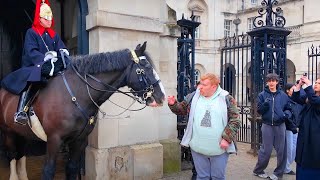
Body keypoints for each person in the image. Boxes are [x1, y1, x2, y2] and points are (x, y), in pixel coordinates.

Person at [1, 0, 69, 125]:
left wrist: (63, 53)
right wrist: (45, 57)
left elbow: (61, 47)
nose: (49, 20)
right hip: (34, 65)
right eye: (45, 17)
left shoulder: (54, 35)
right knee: (35, 76)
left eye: (50, 17)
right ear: (39, 18)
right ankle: (21, 111)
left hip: (53, 65)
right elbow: (31, 51)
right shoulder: (31, 33)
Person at [168, 73, 240, 180]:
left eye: (204, 85)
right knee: (202, 176)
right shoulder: (193, 97)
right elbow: (181, 110)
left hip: (219, 148)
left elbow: (235, 120)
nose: (200, 87)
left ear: (214, 87)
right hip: (197, 147)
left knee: (218, 177)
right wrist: (173, 104)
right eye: (200, 84)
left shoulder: (226, 98)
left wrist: (226, 138)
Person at [253, 73, 291, 180]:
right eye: (269, 81)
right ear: (267, 82)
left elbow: (288, 108)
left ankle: (278, 173)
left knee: (281, 150)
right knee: (266, 150)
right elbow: (259, 111)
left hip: (280, 125)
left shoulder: (283, 95)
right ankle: (258, 170)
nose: (271, 83)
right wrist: (265, 105)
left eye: (273, 81)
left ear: (277, 82)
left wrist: (286, 115)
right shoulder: (262, 95)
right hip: (267, 125)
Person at [291, 75, 320, 179]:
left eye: (319, 83)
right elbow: (296, 98)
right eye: (316, 82)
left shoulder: (314, 98)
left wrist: (309, 85)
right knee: (302, 156)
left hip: (316, 134)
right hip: (305, 132)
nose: (316, 84)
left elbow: (316, 101)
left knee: (313, 156)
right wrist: (299, 86)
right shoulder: (310, 97)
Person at [283, 83, 302, 175]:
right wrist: (292, 125)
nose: (295, 91)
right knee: (289, 149)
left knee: (294, 149)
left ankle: (287, 166)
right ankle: (285, 167)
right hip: (288, 128)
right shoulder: (286, 100)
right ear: (288, 90)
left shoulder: (298, 101)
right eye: (293, 89)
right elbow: (287, 115)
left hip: (296, 128)